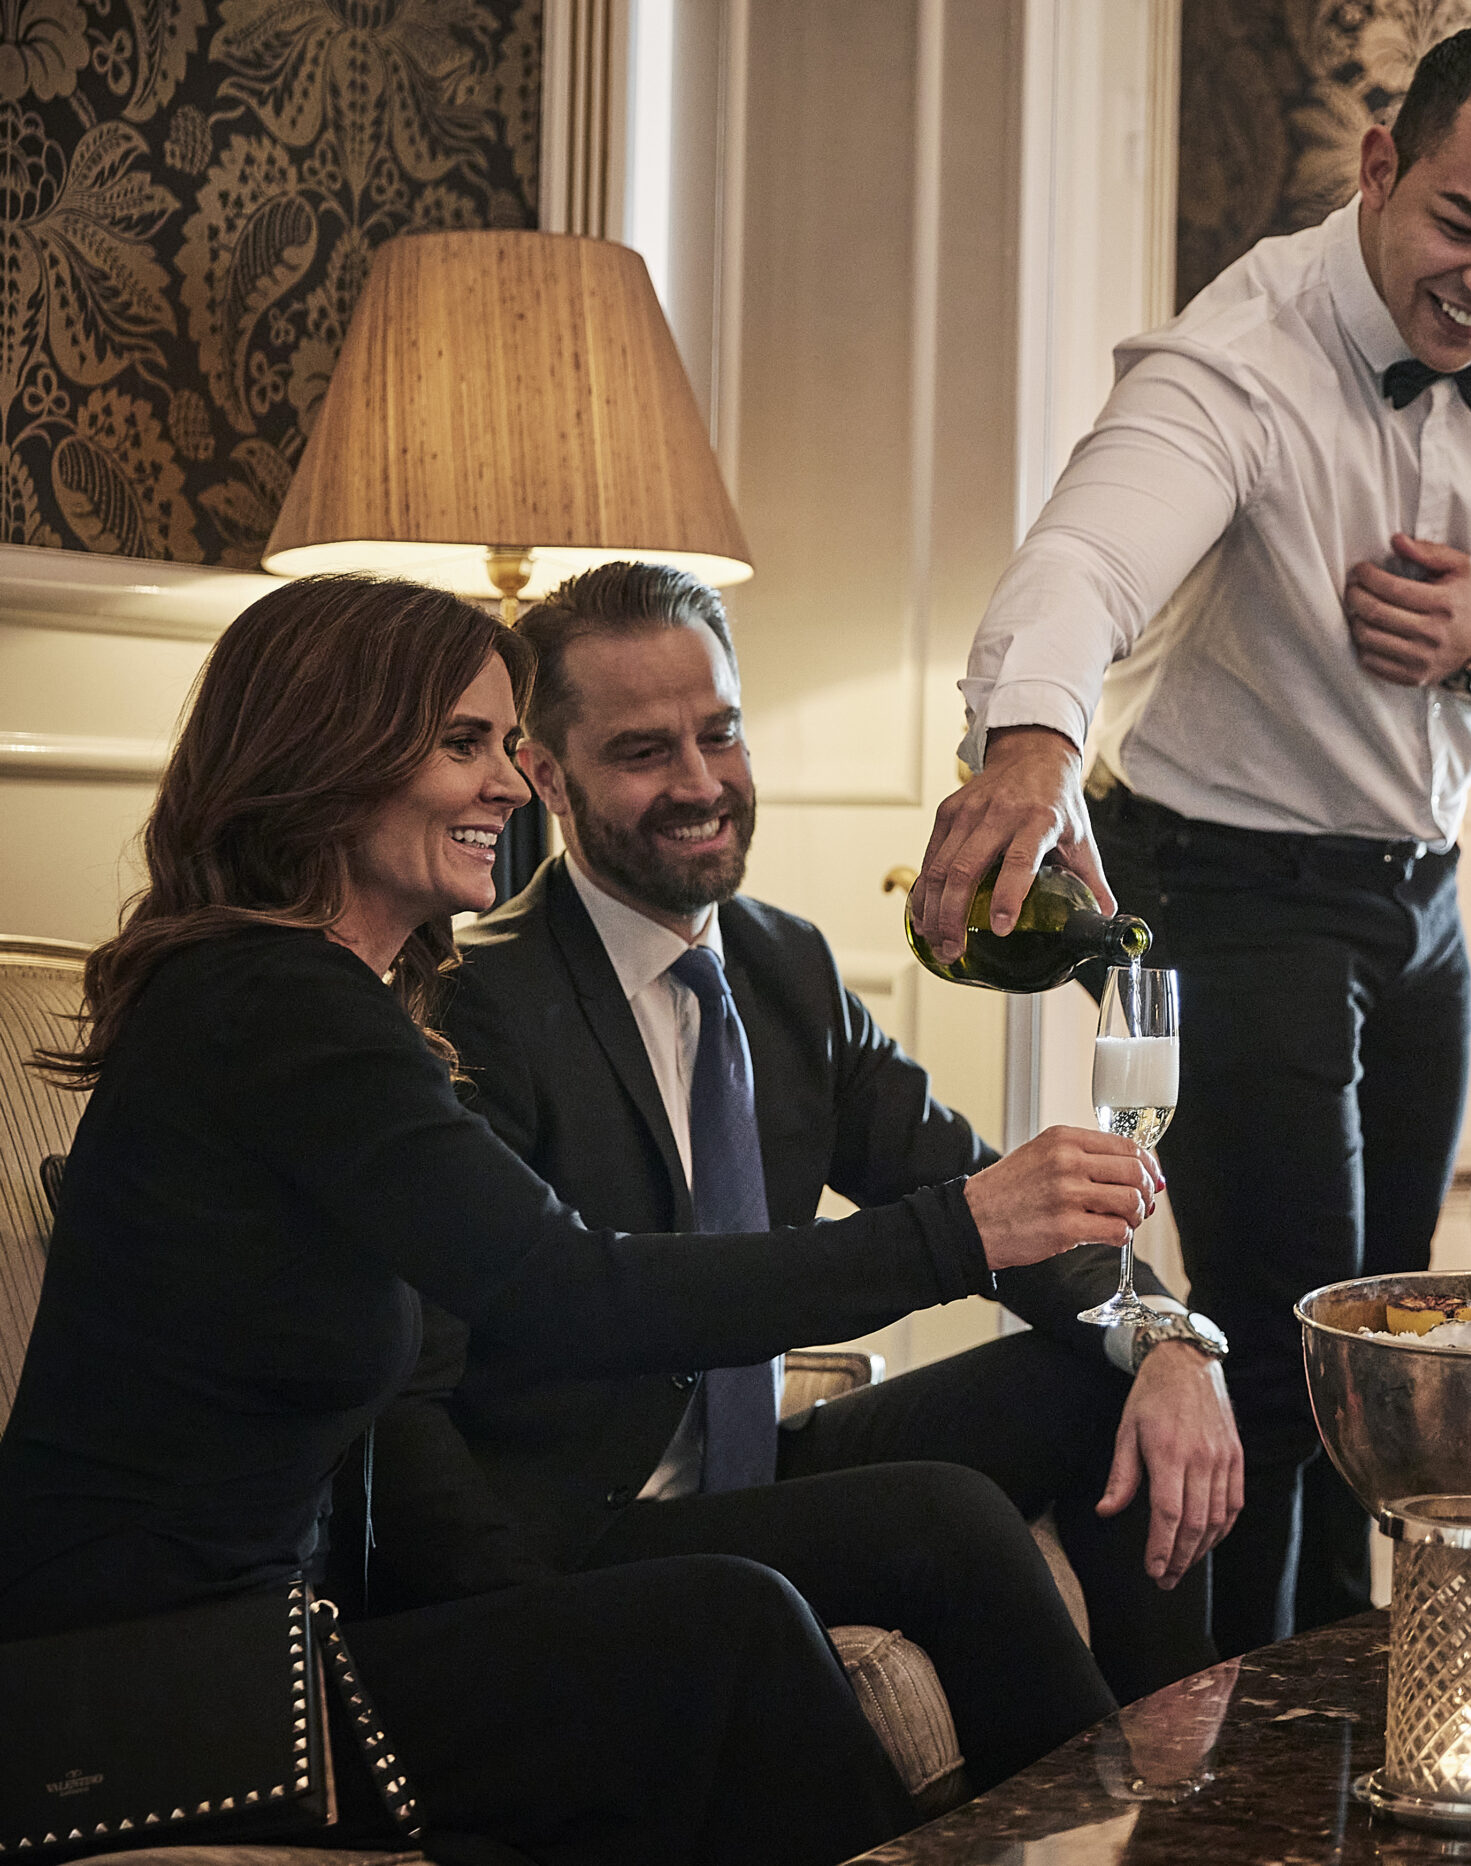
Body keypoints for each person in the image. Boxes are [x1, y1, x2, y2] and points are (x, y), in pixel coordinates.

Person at [0, 575, 1160, 1865]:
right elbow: (571, 1289)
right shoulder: (273, 1006)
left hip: (270, 1641)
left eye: (505, 744)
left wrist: (1161, 1335)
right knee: (727, 1630)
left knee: (741, 1615)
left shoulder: (321, 1001)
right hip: (148, 1693)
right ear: (326, 757)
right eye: (463, 744)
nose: (507, 783)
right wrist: (960, 1230)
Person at [907, 25, 1471, 1651]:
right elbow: (1084, 566)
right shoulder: (1239, 356)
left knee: (1388, 1357)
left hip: (1417, 903)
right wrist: (1032, 746)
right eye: (1465, 227)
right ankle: (1228, 1768)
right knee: (1288, 1357)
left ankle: (1356, 1734)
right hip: (1226, 881)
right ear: (1378, 166)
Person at [365, 563, 1242, 1708]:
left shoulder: (784, 968)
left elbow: (980, 1192)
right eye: (644, 752)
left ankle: (1175, 1809)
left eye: (719, 735)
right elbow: (437, 1374)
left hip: (748, 1471)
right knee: (944, 1521)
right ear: (546, 774)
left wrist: (1170, 1336)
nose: (701, 784)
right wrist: (495, 1597)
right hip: (577, 1519)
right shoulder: (473, 1001)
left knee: (1100, 1387)